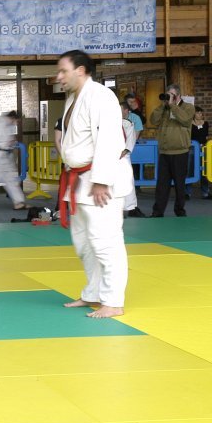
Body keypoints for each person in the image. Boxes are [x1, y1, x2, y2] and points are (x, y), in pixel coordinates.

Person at [56, 50, 132, 318]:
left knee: (105, 241)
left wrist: (101, 180)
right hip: (78, 180)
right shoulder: (72, 99)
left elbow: (110, 140)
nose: (58, 76)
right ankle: (93, 293)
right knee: (83, 243)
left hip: (100, 180)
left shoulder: (101, 96)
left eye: (63, 71)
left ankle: (113, 301)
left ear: (80, 70)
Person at [149, 83, 194, 217]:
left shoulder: (188, 107)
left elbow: (185, 119)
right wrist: (163, 106)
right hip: (164, 152)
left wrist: (173, 106)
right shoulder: (164, 108)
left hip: (180, 152)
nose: (169, 97)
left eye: (172, 94)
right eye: (167, 94)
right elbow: (153, 120)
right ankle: (158, 212)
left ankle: (180, 211)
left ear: (178, 95)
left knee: (180, 184)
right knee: (162, 185)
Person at [0, 110, 27, 210]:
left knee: (10, 180)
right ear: (13, 118)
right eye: (16, 121)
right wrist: (8, 142)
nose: (16, 124)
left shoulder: (6, 124)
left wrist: (10, 142)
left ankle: (19, 202)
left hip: (4, 156)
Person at [120, 102, 145, 218]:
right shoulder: (109, 122)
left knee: (128, 182)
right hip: (111, 157)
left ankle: (131, 208)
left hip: (124, 157)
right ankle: (116, 209)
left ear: (126, 110)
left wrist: (124, 152)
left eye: (120, 109)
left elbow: (131, 140)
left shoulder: (128, 123)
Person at [187, 105, 209, 199]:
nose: (200, 114)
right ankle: (187, 192)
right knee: (190, 169)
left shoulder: (206, 123)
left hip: (203, 148)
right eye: (197, 113)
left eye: (201, 113)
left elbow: (206, 136)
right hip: (192, 148)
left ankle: (205, 192)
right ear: (194, 114)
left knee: (204, 171)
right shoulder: (189, 124)